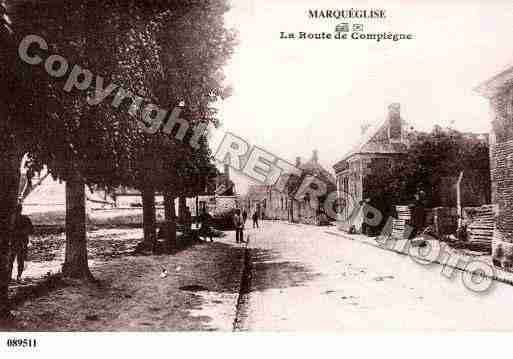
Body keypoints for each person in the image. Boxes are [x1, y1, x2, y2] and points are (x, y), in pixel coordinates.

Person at [9, 204, 33, 282]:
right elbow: (31, 230)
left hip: (12, 243)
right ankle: (19, 277)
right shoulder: (25, 218)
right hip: (22, 243)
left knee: (10, 261)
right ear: (21, 210)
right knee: (21, 261)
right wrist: (23, 233)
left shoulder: (10, 220)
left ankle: (9, 277)